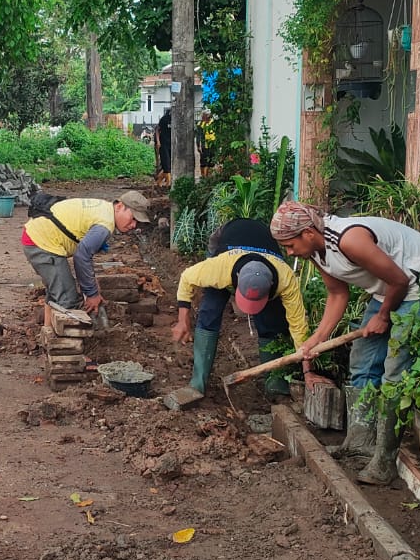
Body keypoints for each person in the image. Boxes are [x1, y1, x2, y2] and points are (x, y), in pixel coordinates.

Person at [269, 200, 420, 485]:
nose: (289, 252)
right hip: (388, 289)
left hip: (419, 286)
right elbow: (338, 294)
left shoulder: (349, 240)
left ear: (308, 233)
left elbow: (400, 281)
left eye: (290, 245)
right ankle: (361, 443)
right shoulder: (316, 253)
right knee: (362, 361)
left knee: (394, 371)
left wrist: (384, 316)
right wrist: (316, 340)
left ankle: (384, 462)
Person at [171, 217, 309, 401]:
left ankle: (275, 385)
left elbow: (299, 327)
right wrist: (183, 320)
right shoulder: (219, 268)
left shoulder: (286, 279)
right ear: (235, 279)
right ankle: (198, 382)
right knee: (209, 311)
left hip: (265, 243)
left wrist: (308, 371)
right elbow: (186, 277)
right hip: (229, 235)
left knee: (273, 323)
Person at [22, 192, 151, 315]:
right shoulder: (104, 225)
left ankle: (48, 331)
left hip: (40, 237)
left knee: (57, 290)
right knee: (68, 301)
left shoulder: (104, 209)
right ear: (119, 206)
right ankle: (68, 336)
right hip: (41, 243)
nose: (134, 225)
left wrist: (93, 287)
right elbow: (82, 256)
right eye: (133, 218)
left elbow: (85, 256)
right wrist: (92, 294)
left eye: (137, 222)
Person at [153, 107, 172, 187]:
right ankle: (169, 184)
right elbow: (157, 129)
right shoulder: (164, 119)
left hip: (171, 144)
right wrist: (158, 141)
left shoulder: (177, 120)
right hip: (163, 144)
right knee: (166, 164)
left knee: (169, 165)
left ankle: (158, 181)